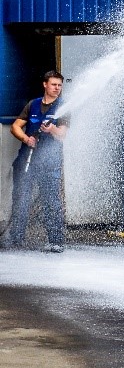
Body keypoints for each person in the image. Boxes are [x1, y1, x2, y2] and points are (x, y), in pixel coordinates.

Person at [2, 71, 68, 252]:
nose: (57, 88)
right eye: (54, 84)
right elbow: (15, 126)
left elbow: (62, 135)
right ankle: (16, 238)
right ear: (45, 85)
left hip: (50, 163)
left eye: (60, 85)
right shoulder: (33, 105)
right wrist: (26, 139)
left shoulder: (63, 106)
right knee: (21, 197)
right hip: (27, 160)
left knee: (51, 201)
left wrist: (53, 129)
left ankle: (56, 242)